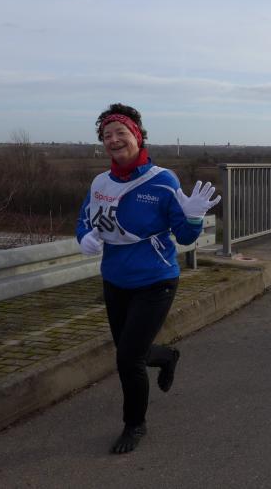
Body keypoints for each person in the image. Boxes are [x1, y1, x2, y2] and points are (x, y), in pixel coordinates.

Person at [76, 103, 221, 454]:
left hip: (156, 281)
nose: (114, 140)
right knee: (131, 352)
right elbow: (84, 220)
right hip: (115, 280)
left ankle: (135, 424)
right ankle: (167, 357)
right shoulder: (100, 183)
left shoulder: (162, 180)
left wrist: (194, 217)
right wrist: (84, 238)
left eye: (121, 132)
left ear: (138, 136)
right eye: (107, 135)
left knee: (128, 359)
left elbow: (184, 237)